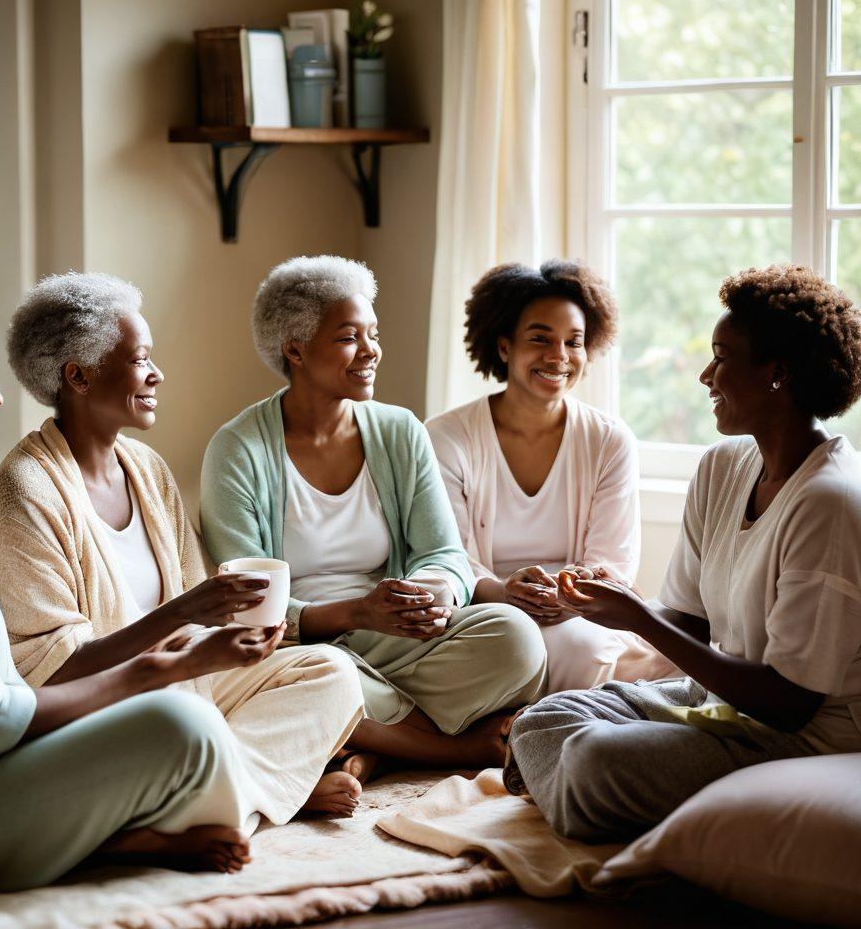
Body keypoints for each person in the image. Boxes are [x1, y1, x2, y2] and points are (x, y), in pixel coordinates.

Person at [0, 284, 289, 891]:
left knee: (221, 705)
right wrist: (160, 669)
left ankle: (119, 836)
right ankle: (127, 837)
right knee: (187, 727)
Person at [0, 273, 365, 834]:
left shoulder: (148, 470)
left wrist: (227, 641)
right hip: (98, 712)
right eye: (139, 359)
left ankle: (217, 797)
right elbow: (49, 674)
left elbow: (189, 624)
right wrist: (183, 616)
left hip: (182, 687)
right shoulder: (22, 493)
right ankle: (259, 792)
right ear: (78, 376)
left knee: (331, 672)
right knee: (181, 722)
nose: (157, 374)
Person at [509, 264, 861, 842]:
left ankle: (575, 790)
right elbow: (689, 623)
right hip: (722, 702)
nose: (706, 375)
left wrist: (635, 616)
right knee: (542, 719)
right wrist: (604, 604)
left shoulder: (829, 503)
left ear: (777, 374)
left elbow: (789, 704)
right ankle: (577, 792)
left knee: (598, 759)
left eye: (722, 357)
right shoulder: (724, 466)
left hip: (799, 739)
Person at [200, 255, 547, 771]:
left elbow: (443, 551)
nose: (371, 352)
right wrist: (356, 612)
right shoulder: (237, 449)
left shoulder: (398, 431)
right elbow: (248, 610)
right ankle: (445, 747)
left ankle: (368, 741)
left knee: (516, 638)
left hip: (394, 636)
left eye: (373, 334)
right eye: (348, 338)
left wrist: (430, 593)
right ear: (295, 350)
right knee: (322, 677)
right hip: (303, 648)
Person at [426, 260, 676, 693]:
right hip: (483, 609)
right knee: (536, 648)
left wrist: (566, 598)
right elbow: (446, 556)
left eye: (573, 342)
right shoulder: (446, 436)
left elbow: (612, 562)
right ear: (504, 347)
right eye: (540, 339)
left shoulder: (609, 440)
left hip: (581, 613)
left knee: (598, 648)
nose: (558, 356)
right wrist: (504, 591)